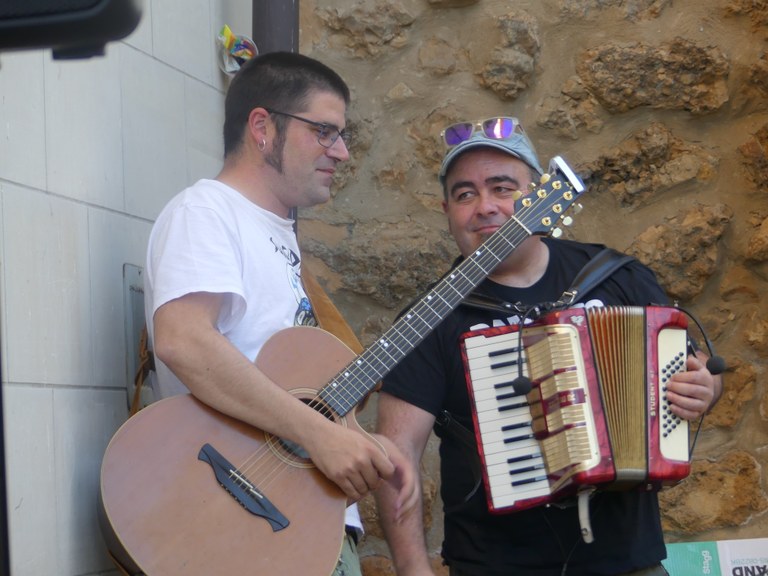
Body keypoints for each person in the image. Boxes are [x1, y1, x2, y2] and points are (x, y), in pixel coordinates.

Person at [374, 117, 723, 576]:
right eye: (465, 194)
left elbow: (697, 367)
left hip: (628, 561)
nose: (485, 207)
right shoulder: (429, 318)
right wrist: (413, 570)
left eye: (502, 188)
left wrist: (704, 388)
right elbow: (396, 456)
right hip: (494, 566)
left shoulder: (617, 276)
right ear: (447, 210)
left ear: (538, 195)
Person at [145, 51, 415, 576]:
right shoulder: (207, 212)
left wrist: (357, 440)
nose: (341, 152)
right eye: (324, 132)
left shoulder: (273, 231)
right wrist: (319, 436)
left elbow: (276, 390)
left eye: (341, 135)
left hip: (303, 520)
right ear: (263, 127)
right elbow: (183, 340)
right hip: (245, 529)